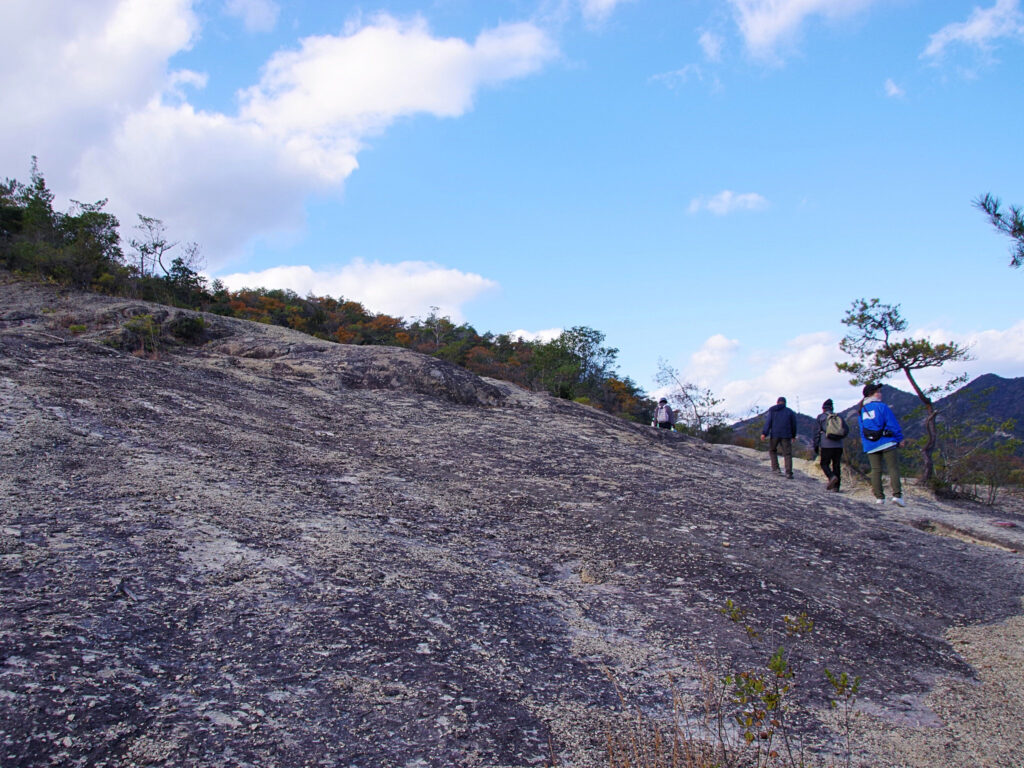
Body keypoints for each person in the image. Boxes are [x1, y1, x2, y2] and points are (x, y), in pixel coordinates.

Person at [858, 383, 906, 506]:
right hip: (886, 441)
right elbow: (892, 424)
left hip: (870, 445)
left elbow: (862, 430)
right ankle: (897, 496)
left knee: (876, 471)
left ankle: (879, 498)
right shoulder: (882, 407)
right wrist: (900, 439)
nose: (880, 393)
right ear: (872, 394)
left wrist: (866, 444)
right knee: (893, 468)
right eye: (878, 391)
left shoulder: (862, 410)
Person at [812, 399, 849, 491]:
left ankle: (831, 477)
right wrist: (839, 437)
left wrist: (816, 445)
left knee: (824, 463)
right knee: (836, 465)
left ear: (823, 408)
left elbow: (816, 433)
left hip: (826, 445)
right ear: (832, 408)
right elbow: (846, 430)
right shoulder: (839, 417)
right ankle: (836, 487)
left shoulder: (821, 417)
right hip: (838, 445)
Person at [760, 396, 797, 478]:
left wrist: (764, 433)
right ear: (785, 403)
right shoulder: (790, 412)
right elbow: (793, 425)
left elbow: (768, 422)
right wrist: (793, 435)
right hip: (786, 435)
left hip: (775, 435)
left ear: (777, 402)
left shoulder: (773, 410)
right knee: (787, 454)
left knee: (772, 450)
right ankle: (788, 473)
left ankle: (776, 469)